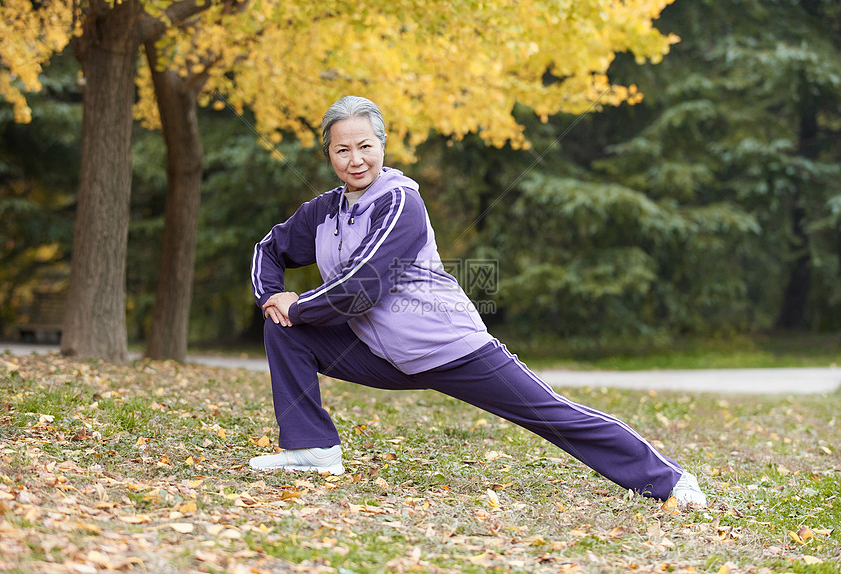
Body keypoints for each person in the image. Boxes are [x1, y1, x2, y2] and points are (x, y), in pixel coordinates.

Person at [249, 95, 706, 506]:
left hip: (446, 346)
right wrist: (274, 298)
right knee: (283, 328)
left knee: (551, 413)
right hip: (377, 354)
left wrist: (300, 305)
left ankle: (669, 481)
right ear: (328, 153)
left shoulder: (400, 202)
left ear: (383, 146)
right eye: (342, 149)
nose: (355, 159)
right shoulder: (326, 211)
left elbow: (363, 285)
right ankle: (313, 449)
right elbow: (270, 248)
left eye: (365, 146)